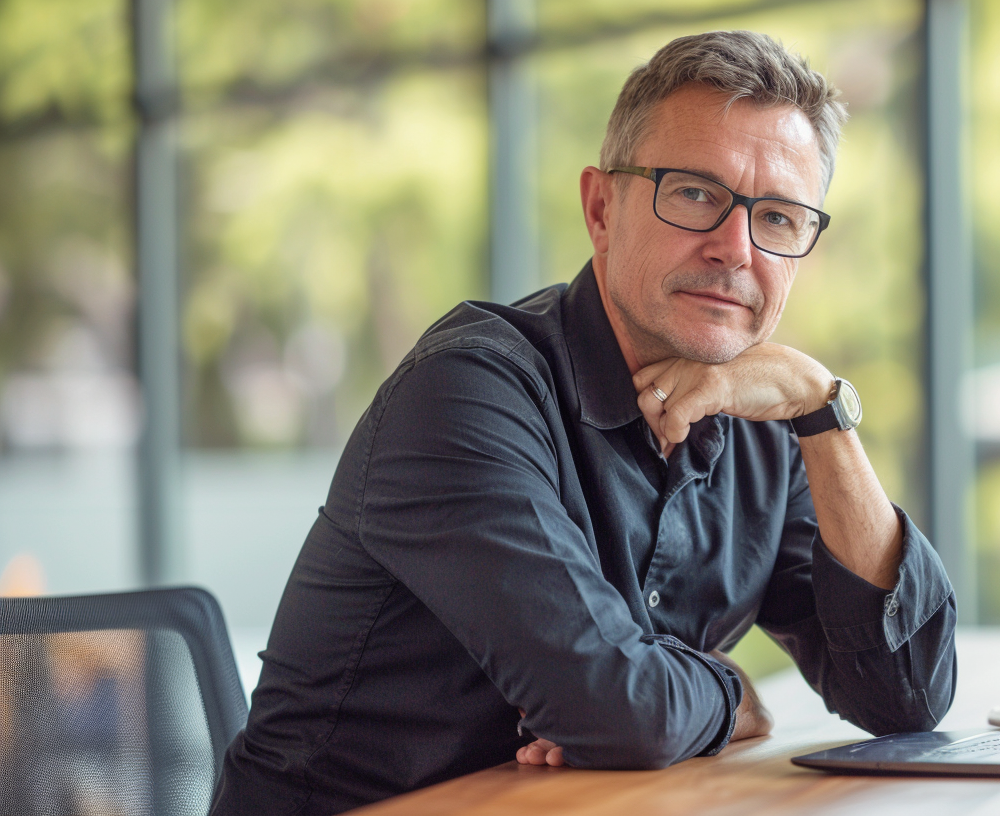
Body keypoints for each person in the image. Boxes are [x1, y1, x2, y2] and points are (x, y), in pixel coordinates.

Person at [210, 30, 956, 816]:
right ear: (602, 207)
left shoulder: (763, 418)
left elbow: (905, 695)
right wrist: (727, 690)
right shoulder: (465, 395)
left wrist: (823, 411)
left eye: (777, 218)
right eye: (695, 194)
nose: (734, 248)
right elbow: (622, 711)